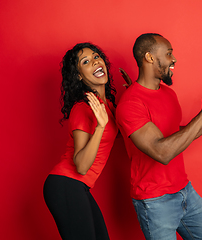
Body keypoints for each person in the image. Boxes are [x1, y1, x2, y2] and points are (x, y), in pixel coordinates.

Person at [116, 33, 202, 240]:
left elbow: (178, 138)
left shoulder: (169, 94)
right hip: (155, 202)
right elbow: (163, 152)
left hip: (185, 192)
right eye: (169, 53)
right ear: (149, 57)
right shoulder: (130, 104)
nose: (174, 59)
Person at [43, 42, 119, 240]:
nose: (95, 61)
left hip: (79, 187)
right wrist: (100, 127)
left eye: (96, 56)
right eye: (86, 61)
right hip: (67, 184)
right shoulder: (83, 108)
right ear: (79, 76)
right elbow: (82, 166)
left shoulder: (108, 105)